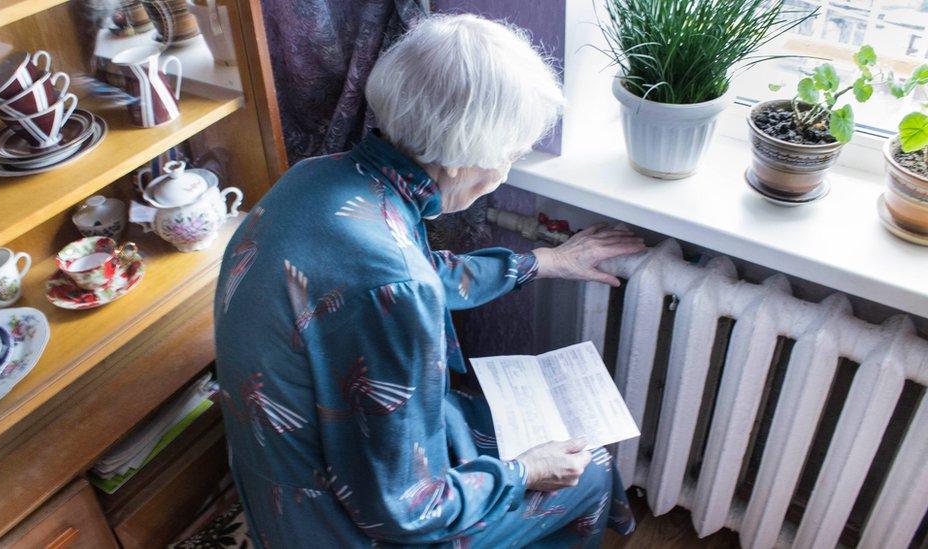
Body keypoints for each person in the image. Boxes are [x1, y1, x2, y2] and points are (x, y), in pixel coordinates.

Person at [214, 13, 643, 548]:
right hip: (336, 529)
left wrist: (543, 262)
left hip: (278, 476)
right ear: (464, 160)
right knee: (592, 467)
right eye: (511, 156)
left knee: (489, 421)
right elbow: (407, 513)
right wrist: (526, 472)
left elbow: (412, 277)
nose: (505, 174)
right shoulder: (393, 283)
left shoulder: (321, 176)